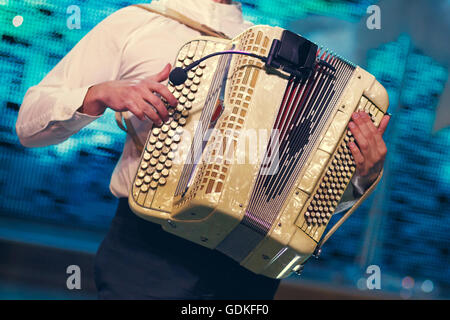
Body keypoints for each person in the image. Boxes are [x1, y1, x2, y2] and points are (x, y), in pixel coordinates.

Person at [15, 0, 390, 299]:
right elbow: (29, 125)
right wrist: (97, 94)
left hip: (249, 264)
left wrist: (361, 175)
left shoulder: (272, 48)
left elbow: (296, 189)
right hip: (150, 256)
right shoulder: (136, 23)